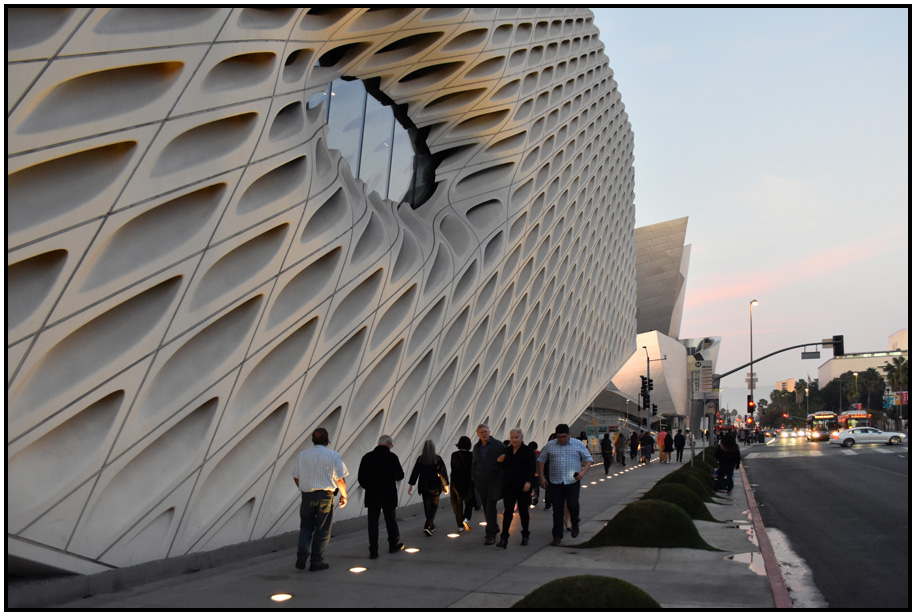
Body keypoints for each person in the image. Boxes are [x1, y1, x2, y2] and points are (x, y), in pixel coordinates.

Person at [291, 427, 348, 571]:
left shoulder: (302, 455)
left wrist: (303, 488)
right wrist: (344, 496)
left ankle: (302, 551)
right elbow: (340, 479)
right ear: (327, 440)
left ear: (313, 440)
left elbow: (296, 476)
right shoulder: (333, 455)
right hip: (325, 496)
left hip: (307, 496)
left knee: (306, 526)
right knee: (322, 529)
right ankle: (316, 561)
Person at [537, 423, 593, 546]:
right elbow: (541, 460)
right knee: (557, 509)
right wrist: (541, 477)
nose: (561, 439)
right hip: (555, 481)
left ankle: (575, 522)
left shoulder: (577, 444)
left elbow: (589, 459)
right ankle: (557, 536)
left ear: (569, 435)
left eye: (564, 436)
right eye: (559, 437)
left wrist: (582, 472)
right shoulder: (550, 445)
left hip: (572, 481)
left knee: (572, 504)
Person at [357, 435, 405, 559]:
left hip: (372, 495)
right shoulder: (392, 457)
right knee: (390, 520)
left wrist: (370, 487)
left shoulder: (367, 457)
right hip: (389, 494)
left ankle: (373, 551)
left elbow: (361, 478)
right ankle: (393, 545)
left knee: (373, 523)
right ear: (388, 444)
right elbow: (399, 475)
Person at [495, 428, 537, 548]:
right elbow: (502, 466)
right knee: (508, 512)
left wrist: (529, 482)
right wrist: (500, 460)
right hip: (509, 486)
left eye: (516, 437)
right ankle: (504, 537)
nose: (514, 440)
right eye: (512, 437)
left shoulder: (528, 451)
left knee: (523, 511)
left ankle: (525, 534)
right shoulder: (508, 450)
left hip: (523, 486)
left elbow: (532, 468)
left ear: (521, 438)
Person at [472, 424, 506, 545]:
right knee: (486, 506)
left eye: (486, 431)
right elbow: (474, 463)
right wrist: (474, 478)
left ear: (489, 432)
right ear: (478, 434)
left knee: (490, 505)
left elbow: (506, 461)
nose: (484, 434)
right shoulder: (476, 447)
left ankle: (490, 534)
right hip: (481, 482)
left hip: (494, 481)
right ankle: (494, 527)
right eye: (481, 432)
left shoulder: (498, 445)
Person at [408, 440, 449, 536]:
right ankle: (428, 526)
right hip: (435, 486)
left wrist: (411, 486)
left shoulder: (420, 459)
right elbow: (442, 473)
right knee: (434, 506)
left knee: (427, 506)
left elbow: (415, 473)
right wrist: (446, 486)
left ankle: (431, 525)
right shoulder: (437, 459)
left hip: (424, 486)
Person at [449, 436, 475, 533]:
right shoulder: (472, 455)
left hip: (456, 482)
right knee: (469, 501)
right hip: (468, 481)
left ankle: (460, 526)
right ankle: (466, 518)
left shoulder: (454, 455)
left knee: (458, 503)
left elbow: (452, 467)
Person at [714, 431, 742, 495]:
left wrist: (719, 459)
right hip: (731, 464)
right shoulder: (734, 447)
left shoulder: (721, 446)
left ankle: (715, 489)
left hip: (723, 463)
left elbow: (717, 454)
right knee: (729, 477)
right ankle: (729, 490)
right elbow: (737, 456)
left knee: (720, 477)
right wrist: (737, 464)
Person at [528, 441, 541, 507]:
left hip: (530, 473)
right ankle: (534, 500)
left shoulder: (527, 453)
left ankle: (529, 500)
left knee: (530, 487)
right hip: (536, 473)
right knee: (535, 488)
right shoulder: (539, 454)